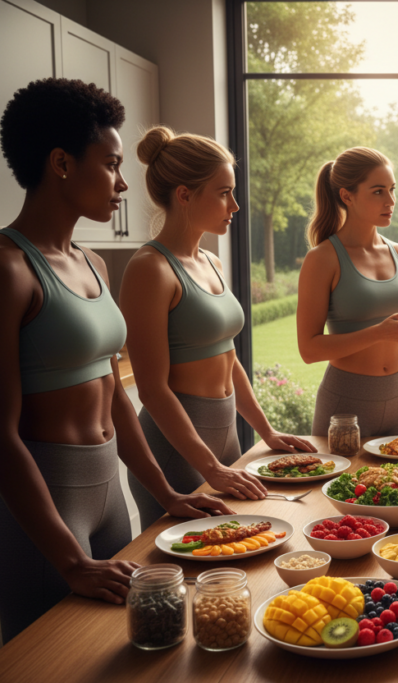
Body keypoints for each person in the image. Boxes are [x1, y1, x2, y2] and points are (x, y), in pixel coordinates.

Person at [0, 79, 232, 643]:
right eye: (110, 165)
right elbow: (0, 433)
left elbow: (114, 397)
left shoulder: (95, 265)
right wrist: (71, 561)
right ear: (60, 163)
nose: (124, 184)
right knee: (52, 661)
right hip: (46, 509)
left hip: (111, 497)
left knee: (128, 650)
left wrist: (166, 491)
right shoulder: (9, 269)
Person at [119, 127, 316, 529]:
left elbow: (228, 357)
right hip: (176, 450)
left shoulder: (212, 262)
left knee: (240, 558)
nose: (236, 205)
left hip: (226, 439)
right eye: (224, 192)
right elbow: (153, 390)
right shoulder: (150, 268)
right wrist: (210, 468)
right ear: (184, 194)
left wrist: (266, 431)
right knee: (189, 575)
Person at [297, 147, 398, 437]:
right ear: (347, 196)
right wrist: (377, 332)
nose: (390, 201)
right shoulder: (322, 259)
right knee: (346, 484)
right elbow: (309, 350)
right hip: (346, 405)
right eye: (378, 191)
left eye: (392, 189)